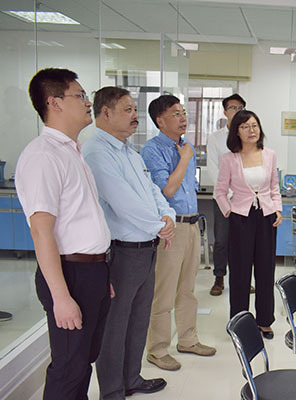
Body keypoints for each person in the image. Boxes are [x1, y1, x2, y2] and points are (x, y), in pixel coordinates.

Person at [15, 68, 112, 399]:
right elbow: (41, 232)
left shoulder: (72, 151)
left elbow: (81, 219)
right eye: (80, 95)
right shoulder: (43, 156)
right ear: (53, 102)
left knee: (84, 362)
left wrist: (100, 271)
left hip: (91, 270)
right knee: (69, 367)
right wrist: (61, 297)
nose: (88, 103)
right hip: (70, 274)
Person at [83, 87, 176, 399]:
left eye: (135, 109)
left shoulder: (129, 153)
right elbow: (124, 204)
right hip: (121, 252)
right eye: (128, 110)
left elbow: (152, 192)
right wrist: (160, 227)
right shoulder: (97, 152)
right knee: (115, 325)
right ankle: (112, 391)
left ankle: (131, 379)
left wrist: (168, 217)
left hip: (146, 248)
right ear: (105, 112)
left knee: (138, 320)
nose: (135, 115)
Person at [141, 94, 216, 371]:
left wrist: (186, 155)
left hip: (192, 225)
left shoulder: (186, 146)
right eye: (175, 113)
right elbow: (168, 190)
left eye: (183, 112)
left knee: (187, 289)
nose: (183, 118)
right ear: (160, 120)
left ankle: (188, 339)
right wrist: (184, 159)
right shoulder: (152, 150)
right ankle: (157, 349)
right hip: (170, 229)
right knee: (164, 291)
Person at [215, 110, 282, 339]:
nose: (251, 130)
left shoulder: (270, 155)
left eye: (254, 125)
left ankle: (265, 321)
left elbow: (274, 187)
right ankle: (240, 322)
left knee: (265, 270)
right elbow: (220, 192)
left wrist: (278, 209)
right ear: (237, 132)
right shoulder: (229, 159)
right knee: (240, 273)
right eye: (245, 127)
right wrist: (229, 211)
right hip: (240, 218)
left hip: (266, 217)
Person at [206, 93, 247, 296]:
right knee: (222, 240)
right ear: (225, 112)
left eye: (240, 108)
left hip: (245, 199)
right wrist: (229, 193)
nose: (237, 112)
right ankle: (219, 278)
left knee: (243, 241)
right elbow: (213, 168)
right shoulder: (215, 138)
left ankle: (242, 279)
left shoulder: (249, 136)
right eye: (233, 108)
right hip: (223, 198)